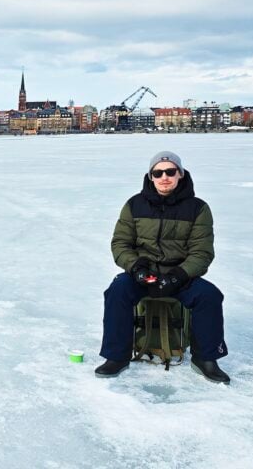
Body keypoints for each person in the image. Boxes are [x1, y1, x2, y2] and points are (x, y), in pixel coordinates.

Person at [95, 151, 230, 384]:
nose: (164, 177)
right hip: (143, 274)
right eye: (158, 173)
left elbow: (202, 252)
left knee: (209, 295)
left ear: (180, 174)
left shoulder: (198, 208)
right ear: (151, 177)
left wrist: (179, 275)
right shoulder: (134, 205)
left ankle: (206, 359)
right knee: (117, 291)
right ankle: (116, 356)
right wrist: (136, 267)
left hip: (179, 276)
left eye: (170, 171)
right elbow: (121, 244)